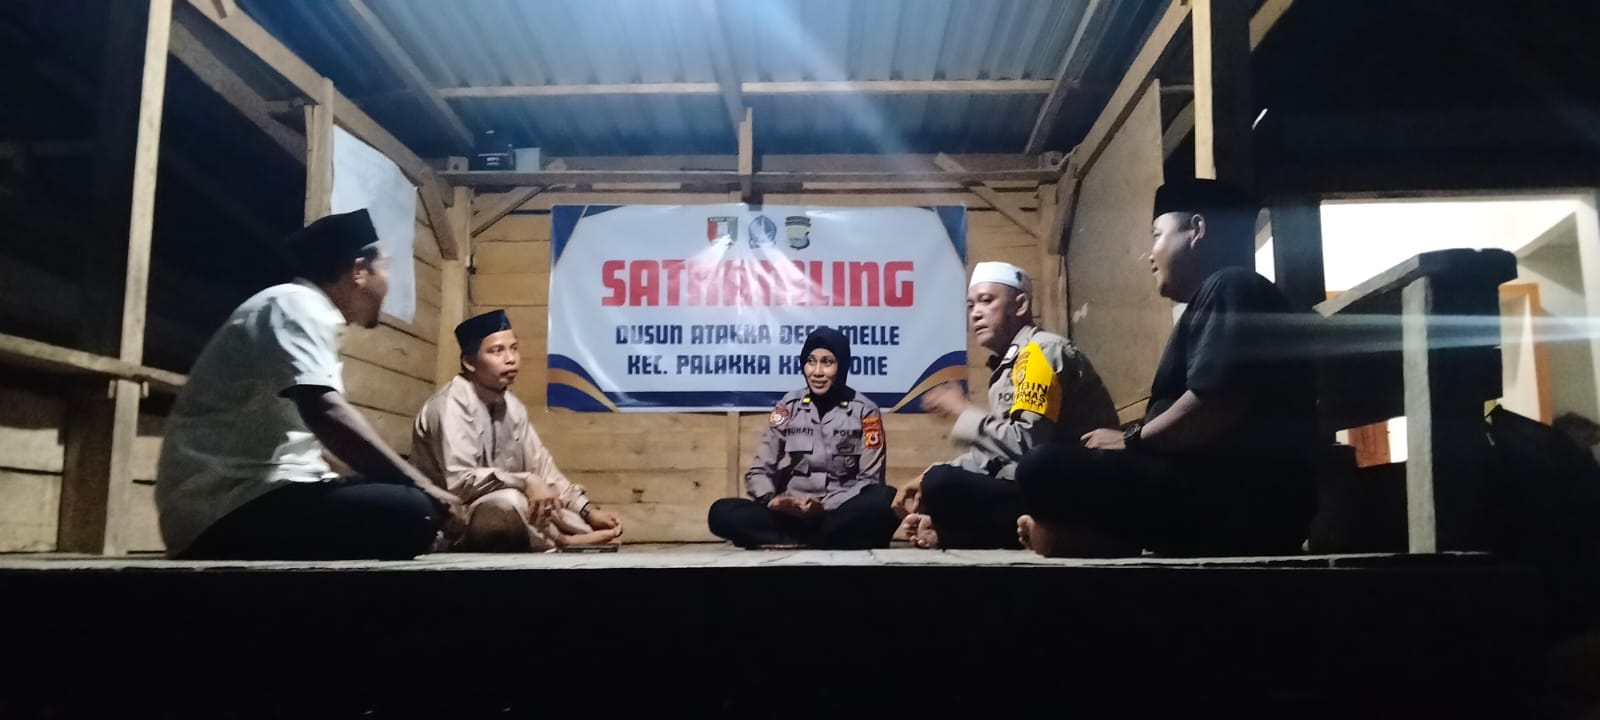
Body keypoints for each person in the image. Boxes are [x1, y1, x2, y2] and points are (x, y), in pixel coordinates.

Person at [1016, 178, 1319, 557]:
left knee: (1041, 466)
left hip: (1243, 501)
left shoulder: (1233, 284)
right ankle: (1078, 535)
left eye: (1157, 235)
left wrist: (1131, 441)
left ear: (1196, 229)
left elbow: (1216, 405)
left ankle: (1073, 536)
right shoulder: (1221, 294)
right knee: (1026, 476)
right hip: (1221, 494)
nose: (1150, 255)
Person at [156, 209, 464, 560]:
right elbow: (325, 410)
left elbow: (315, 432)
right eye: (386, 267)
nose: (389, 283)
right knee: (414, 511)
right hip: (223, 507)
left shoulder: (299, 308)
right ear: (359, 271)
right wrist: (421, 486)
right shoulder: (294, 305)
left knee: (406, 507)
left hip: (249, 500)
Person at [893, 262, 1118, 549]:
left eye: (987, 301)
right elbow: (999, 454)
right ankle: (957, 533)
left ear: (1020, 305)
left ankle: (1029, 533)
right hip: (1041, 488)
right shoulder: (1012, 363)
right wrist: (925, 475)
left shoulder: (1040, 352)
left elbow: (1026, 446)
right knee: (937, 483)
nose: (975, 313)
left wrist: (962, 410)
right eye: (971, 305)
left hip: (1075, 492)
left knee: (943, 484)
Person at [412, 310, 623, 551]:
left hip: (504, 512)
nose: (510, 359)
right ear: (469, 362)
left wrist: (588, 511)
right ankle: (562, 542)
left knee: (557, 508)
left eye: (514, 348)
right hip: (452, 521)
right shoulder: (449, 406)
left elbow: (543, 469)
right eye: (497, 351)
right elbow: (461, 481)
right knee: (506, 504)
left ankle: (568, 536)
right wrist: (525, 481)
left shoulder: (512, 407)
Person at [708, 327, 899, 549]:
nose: (817, 372)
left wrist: (824, 507)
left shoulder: (864, 411)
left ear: (842, 366)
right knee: (721, 512)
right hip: (790, 516)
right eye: (810, 362)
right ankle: (821, 541)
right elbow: (759, 471)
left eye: (827, 362)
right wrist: (772, 500)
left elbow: (870, 481)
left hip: (838, 513)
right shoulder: (789, 407)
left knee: (884, 498)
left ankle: (796, 540)